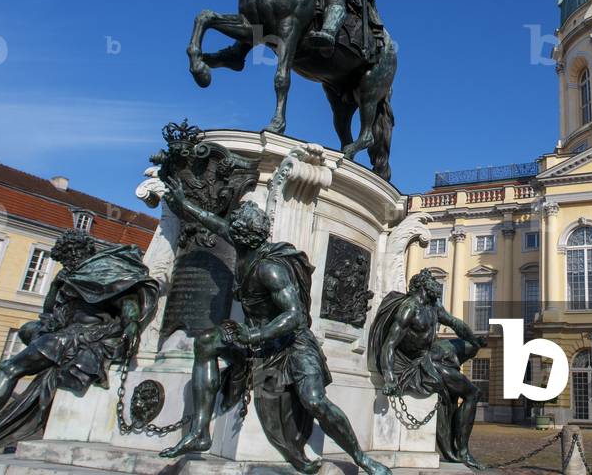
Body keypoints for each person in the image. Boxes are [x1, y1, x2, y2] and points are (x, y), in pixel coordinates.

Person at [158, 183, 390, 475]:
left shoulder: (269, 269)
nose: (228, 227)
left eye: (234, 224)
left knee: (315, 400)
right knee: (205, 343)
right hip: (257, 338)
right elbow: (211, 220)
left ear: (243, 235)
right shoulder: (241, 244)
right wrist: (183, 202)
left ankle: (360, 457)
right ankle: (201, 431)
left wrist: (253, 334)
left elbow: (294, 316)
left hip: (292, 342)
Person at [0, 230, 159, 456]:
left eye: (65, 257)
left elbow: (127, 300)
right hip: (64, 331)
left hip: (78, 336)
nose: (65, 262)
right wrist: (56, 284)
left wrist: (132, 323)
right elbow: (48, 312)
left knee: (9, 369)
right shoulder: (72, 274)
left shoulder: (100, 271)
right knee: (26, 332)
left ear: (75, 252)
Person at [368, 269, 487, 470]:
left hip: (431, 352)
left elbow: (456, 324)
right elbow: (389, 344)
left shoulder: (432, 307)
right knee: (473, 393)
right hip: (418, 363)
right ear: (423, 285)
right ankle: (463, 452)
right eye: (432, 282)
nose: (436, 285)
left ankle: (451, 375)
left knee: (471, 346)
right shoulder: (409, 308)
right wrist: (389, 377)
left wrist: (474, 339)